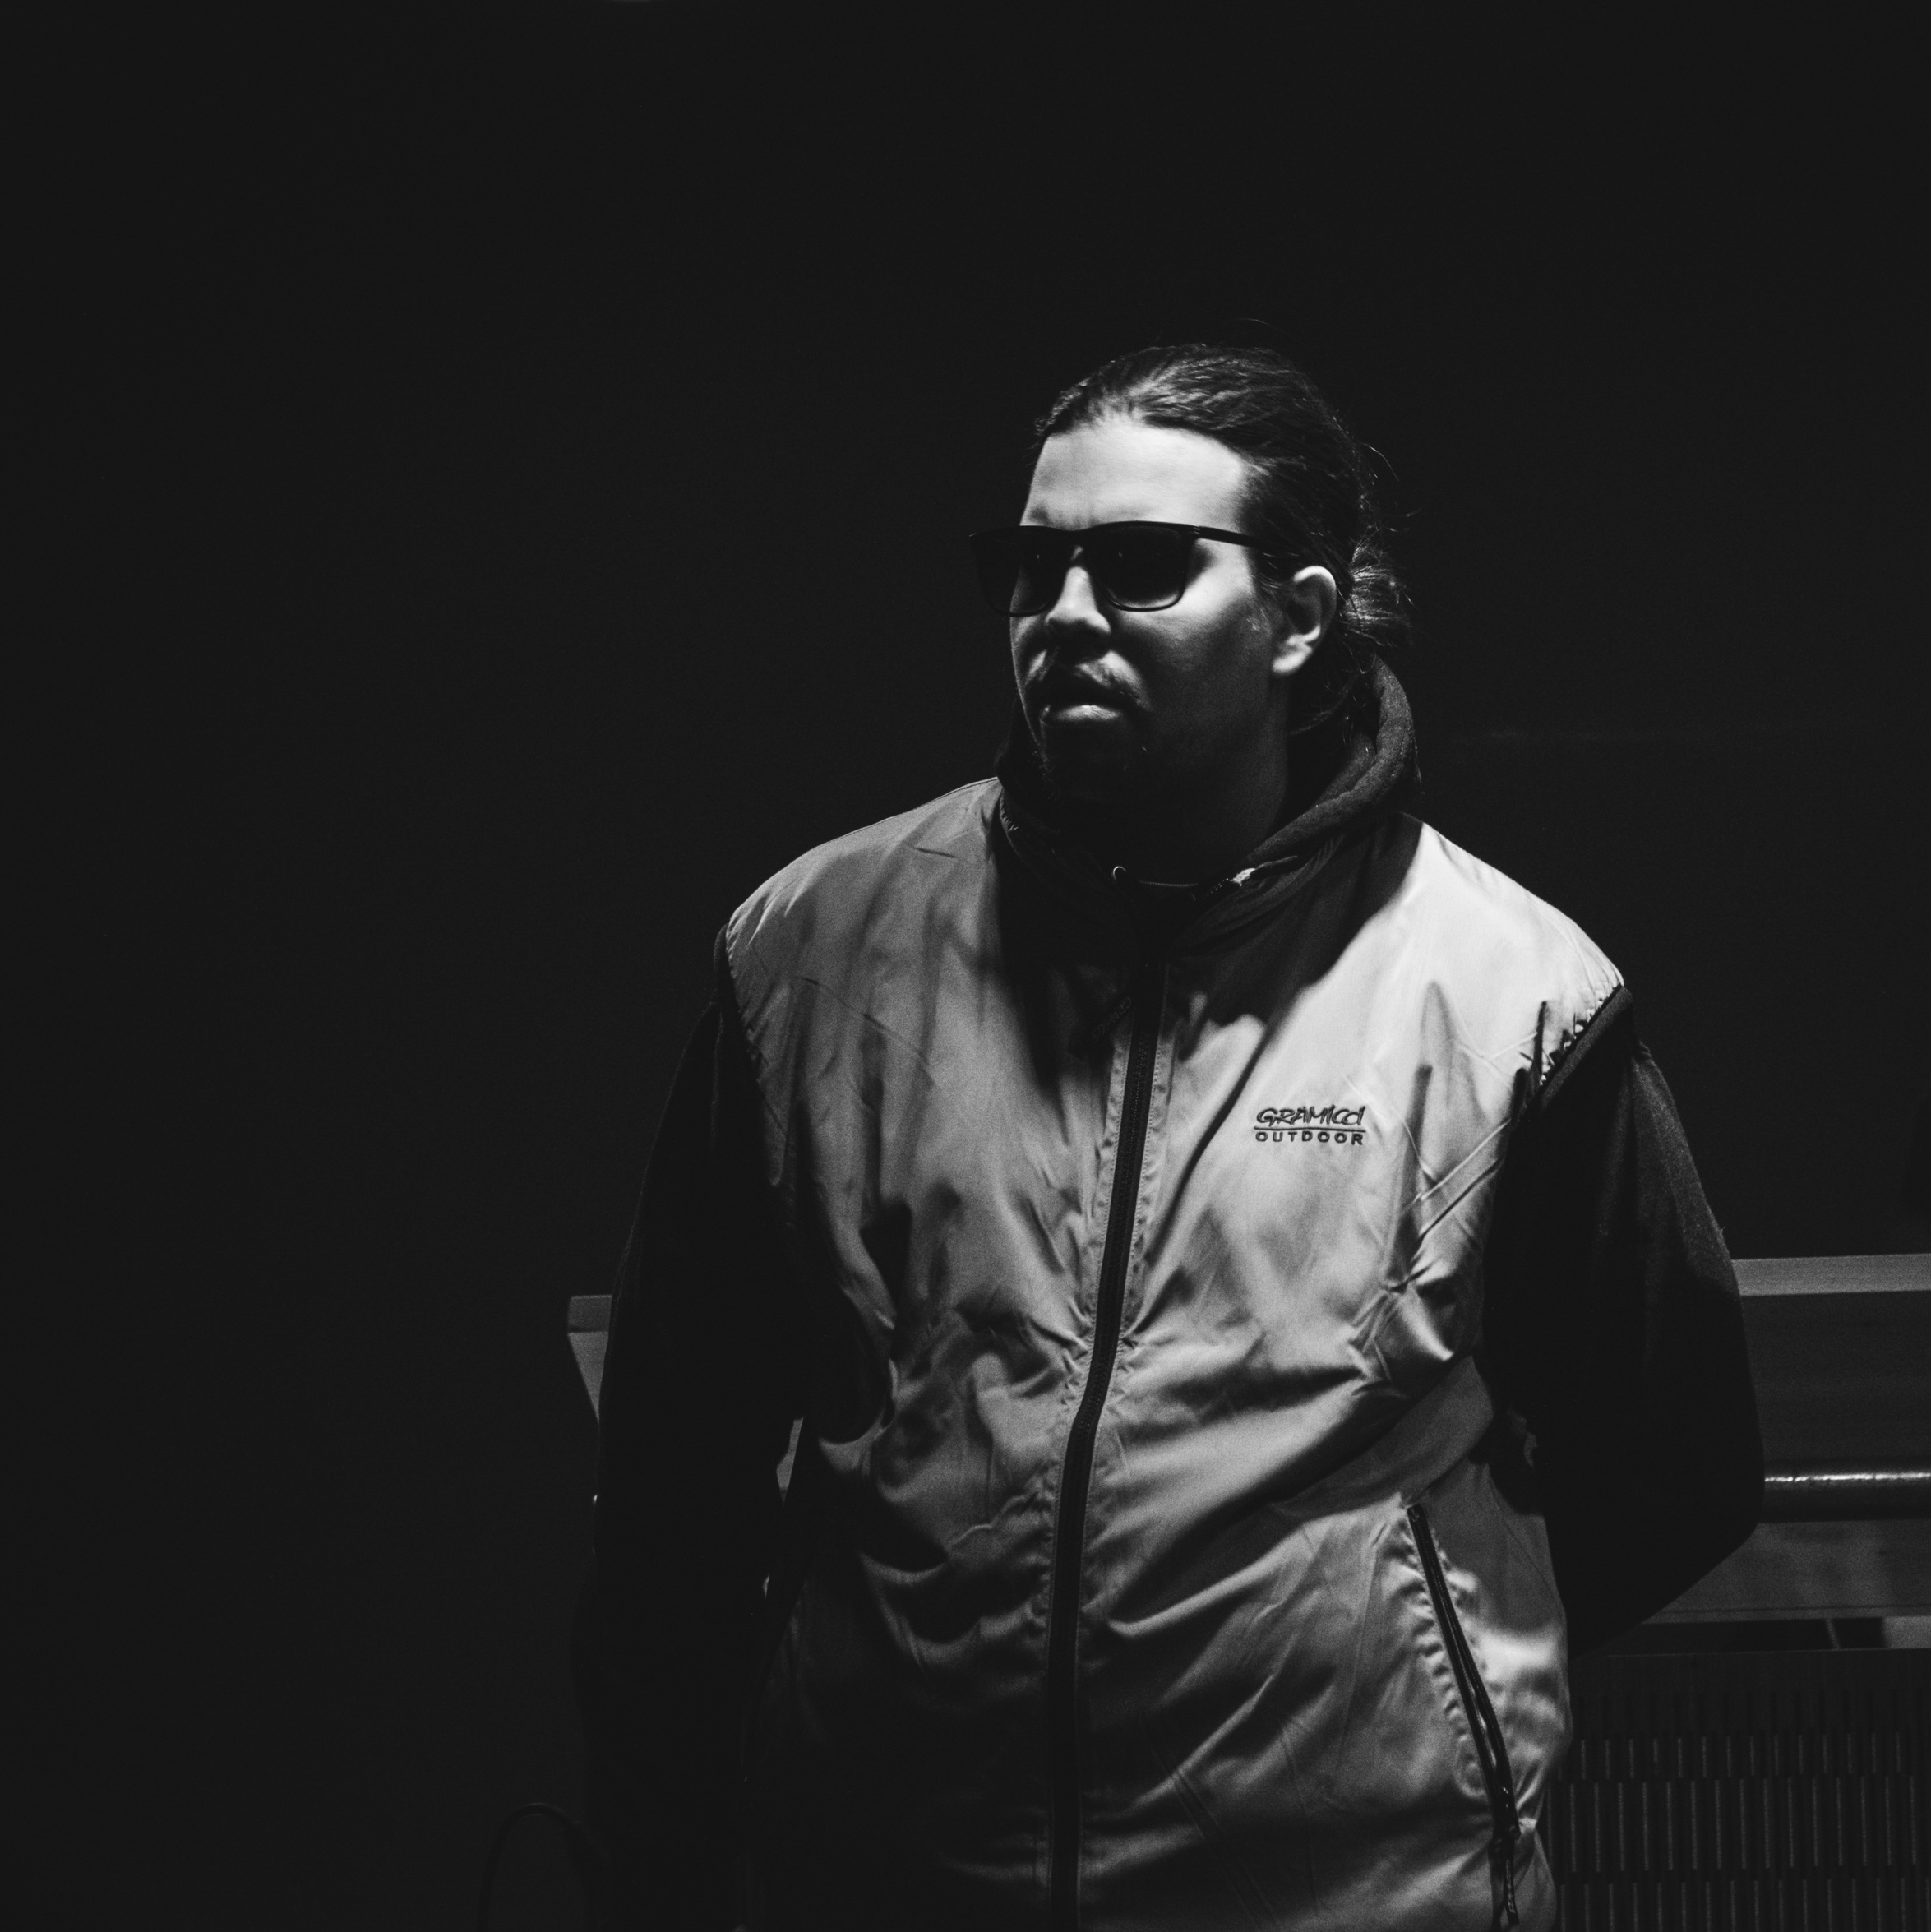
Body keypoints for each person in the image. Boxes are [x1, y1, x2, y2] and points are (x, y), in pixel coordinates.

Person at [574, 345, 1763, 1931]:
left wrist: (1381, 1674)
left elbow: (1674, 1465)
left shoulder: (1507, 994)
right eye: (1032, 564)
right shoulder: (813, 951)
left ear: (1298, 616)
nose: (1063, 613)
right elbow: (676, 1472)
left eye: (1138, 568)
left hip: (1355, 1903)